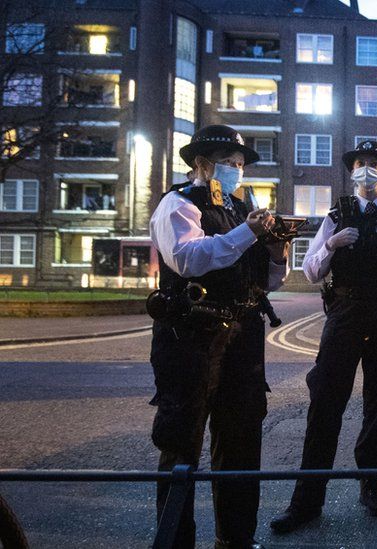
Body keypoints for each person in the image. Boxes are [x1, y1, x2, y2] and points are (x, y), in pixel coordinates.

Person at [148, 124, 289, 549]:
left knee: (242, 444)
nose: (236, 171)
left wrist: (276, 251)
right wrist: (249, 232)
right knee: (181, 444)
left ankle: (236, 540)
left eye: (241, 164)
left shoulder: (240, 208)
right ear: (202, 163)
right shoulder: (179, 203)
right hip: (190, 337)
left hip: (243, 339)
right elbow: (189, 258)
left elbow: (269, 282)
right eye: (229, 162)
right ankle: (176, 542)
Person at [270, 140, 377, 534]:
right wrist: (331, 244)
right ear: (352, 172)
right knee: (325, 404)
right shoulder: (338, 214)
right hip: (345, 315)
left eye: (373, 164)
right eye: (359, 164)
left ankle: (371, 486)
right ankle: (307, 501)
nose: (365, 169)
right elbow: (312, 270)